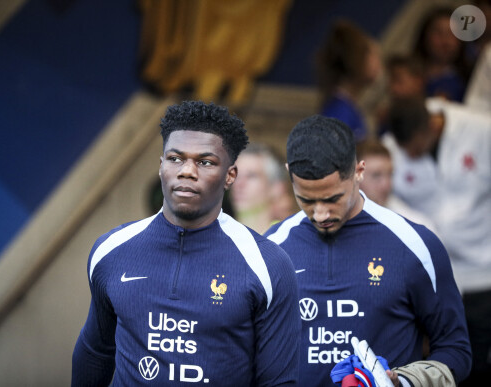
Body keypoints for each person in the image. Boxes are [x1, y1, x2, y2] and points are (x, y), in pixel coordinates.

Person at [72, 100, 301, 386]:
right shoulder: (111, 251)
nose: (187, 171)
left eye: (205, 162)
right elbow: (96, 352)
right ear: (161, 166)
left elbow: (278, 381)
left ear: (230, 175)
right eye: (176, 158)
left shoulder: (267, 265)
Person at [264, 115, 471, 386]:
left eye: (333, 198)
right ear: (290, 172)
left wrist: (403, 382)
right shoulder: (272, 249)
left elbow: (457, 351)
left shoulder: (415, 245)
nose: (321, 213)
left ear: (359, 171)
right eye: (306, 200)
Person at [386, 96, 491, 385]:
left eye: (416, 148)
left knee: (480, 361)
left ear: (431, 127)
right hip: (436, 274)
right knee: (440, 358)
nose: (410, 154)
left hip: (484, 270)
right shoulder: (392, 148)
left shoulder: (481, 130)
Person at [316, 19, 382, 142]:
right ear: (355, 59)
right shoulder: (339, 112)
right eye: (371, 55)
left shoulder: (348, 106)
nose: (378, 64)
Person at [356, 140, 437, 233]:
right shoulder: (340, 222)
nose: (386, 185)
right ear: (354, 178)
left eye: (390, 174)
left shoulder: (416, 228)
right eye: (376, 175)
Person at [229, 143, 296, 234]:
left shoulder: (287, 239)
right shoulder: (214, 239)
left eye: (251, 176)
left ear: (276, 188)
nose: (239, 184)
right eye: (235, 175)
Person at [412, 6, 471, 102]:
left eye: (452, 34)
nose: (445, 41)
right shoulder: (408, 75)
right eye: (439, 33)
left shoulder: (469, 80)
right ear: (425, 36)